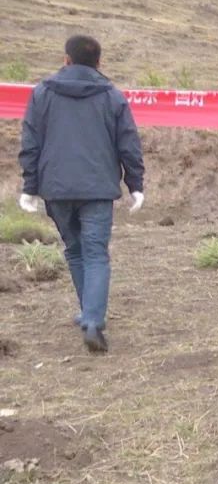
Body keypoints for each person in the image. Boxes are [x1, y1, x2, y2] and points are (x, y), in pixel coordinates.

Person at [16, 35, 145, 353]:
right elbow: (128, 143)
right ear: (99, 63)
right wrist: (136, 184)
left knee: (74, 251)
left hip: (56, 187)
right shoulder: (113, 96)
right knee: (96, 253)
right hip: (98, 187)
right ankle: (92, 320)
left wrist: (29, 187)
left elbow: (31, 142)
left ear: (66, 60)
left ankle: (90, 313)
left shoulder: (42, 93)